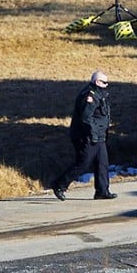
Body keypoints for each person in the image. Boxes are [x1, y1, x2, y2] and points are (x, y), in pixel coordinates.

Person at [52, 70, 117, 200]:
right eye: (104, 82)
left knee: (102, 163)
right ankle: (59, 184)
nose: (107, 85)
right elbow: (86, 118)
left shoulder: (100, 94)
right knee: (83, 163)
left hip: (99, 136)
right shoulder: (90, 95)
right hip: (86, 136)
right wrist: (92, 135)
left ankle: (102, 191)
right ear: (97, 82)